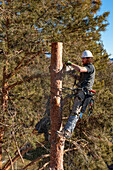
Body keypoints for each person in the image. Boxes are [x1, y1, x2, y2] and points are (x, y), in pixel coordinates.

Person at [57, 50, 95, 138]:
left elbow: (80, 69)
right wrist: (71, 74)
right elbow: (80, 78)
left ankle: (67, 131)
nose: (82, 60)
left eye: (83, 58)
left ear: (88, 59)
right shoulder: (86, 68)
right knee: (73, 109)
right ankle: (66, 130)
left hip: (84, 92)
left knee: (75, 111)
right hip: (81, 91)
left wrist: (71, 64)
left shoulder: (90, 67)